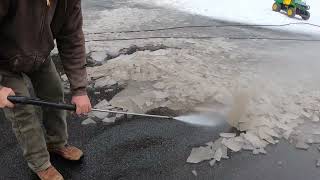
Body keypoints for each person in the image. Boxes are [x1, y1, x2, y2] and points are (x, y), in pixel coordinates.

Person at [0, 0, 91, 179]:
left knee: (54, 92)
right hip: (3, 62)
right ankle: (40, 163)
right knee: (21, 108)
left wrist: (80, 90)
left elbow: (72, 38)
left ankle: (56, 144)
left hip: (38, 56)